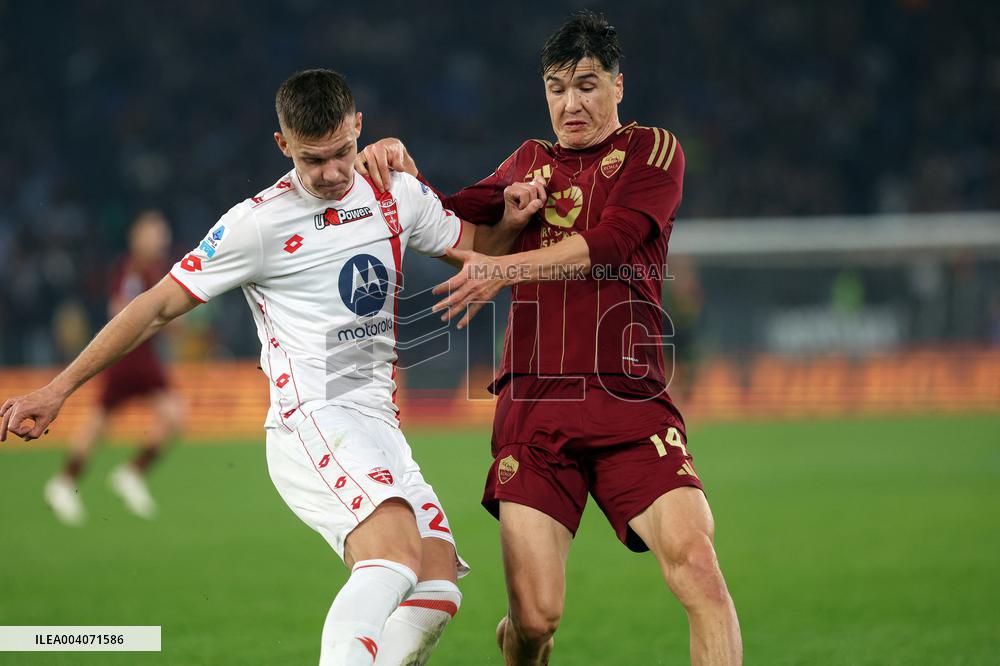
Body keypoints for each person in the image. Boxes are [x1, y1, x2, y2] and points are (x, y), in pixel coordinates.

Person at [1, 69, 542, 666]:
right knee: (390, 560)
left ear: (359, 128)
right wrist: (58, 388)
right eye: (315, 161)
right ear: (283, 146)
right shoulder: (256, 224)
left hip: (379, 422)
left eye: (342, 152)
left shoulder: (395, 192)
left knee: (437, 586)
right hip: (310, 419)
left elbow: (477, 249)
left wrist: (513, 221)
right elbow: (156, 306)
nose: (334, 173)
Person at [358, 12, 743, 665]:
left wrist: (499, 268)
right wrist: (398, 169)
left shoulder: (654, 151)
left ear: (619, 85)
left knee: (699, 569)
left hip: (630, 403)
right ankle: (521, 640)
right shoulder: (528, 163)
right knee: (535, 620)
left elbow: (615, 241)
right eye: (557, 87)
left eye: (588, 85)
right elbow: (447, 220)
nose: (571, 103)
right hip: (536, 407)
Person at [44, 210, 184, 525]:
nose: (161, 238)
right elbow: (121, 308)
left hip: (144, 355)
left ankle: (102, 477)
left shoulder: (155, 269)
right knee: (103, 420)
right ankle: (72, 481)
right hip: (129, 356)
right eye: (155, 232)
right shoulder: (133, 268)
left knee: (167, 415)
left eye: (163, 232)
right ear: (138, 236)